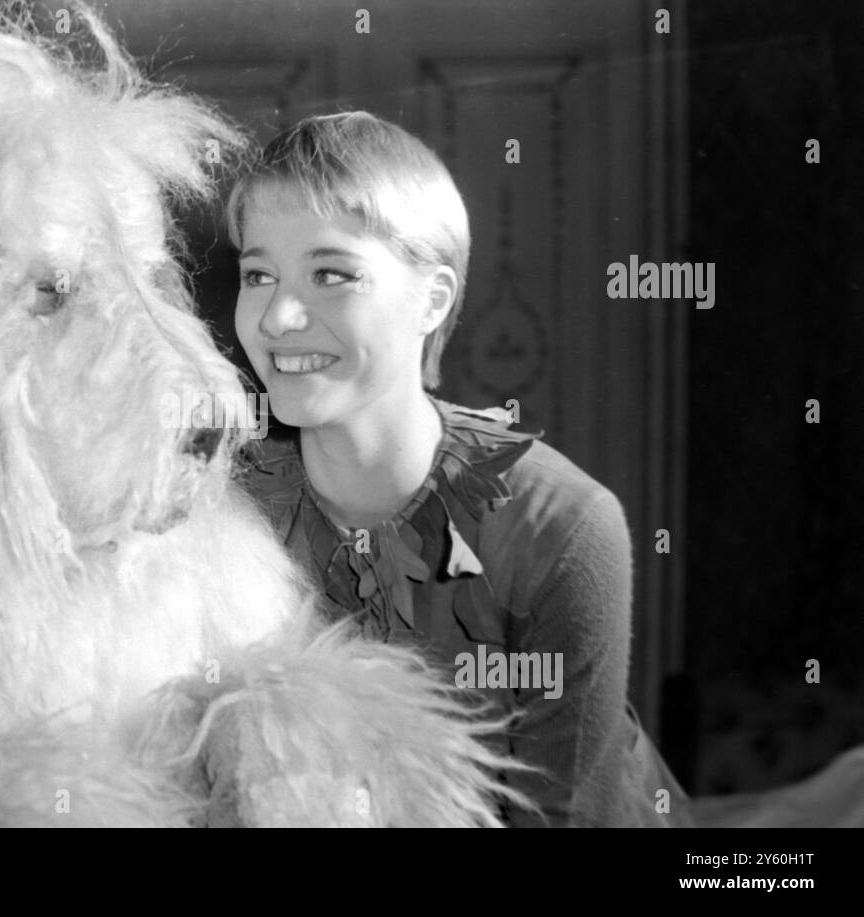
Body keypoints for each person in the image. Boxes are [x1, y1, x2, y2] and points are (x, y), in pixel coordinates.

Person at [228, 111, 691, 826]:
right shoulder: (218, 511)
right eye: (258, 273)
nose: (278, 315)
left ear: (432, 299)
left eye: (331, 273)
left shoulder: (564, 528)